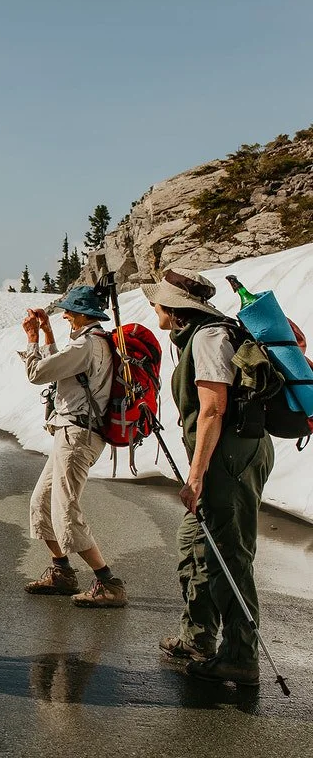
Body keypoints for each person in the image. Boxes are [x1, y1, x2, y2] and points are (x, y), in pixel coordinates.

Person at [144, 267, 275, 686]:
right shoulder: (208, 332)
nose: (154, 307)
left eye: (158, 302)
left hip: (228, 459)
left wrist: (196, 476)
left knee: (228, 555)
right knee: (194, 543)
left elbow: (213, 409)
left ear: (175, 308)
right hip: (237, 451)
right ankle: (197, 636)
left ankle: (240, 656)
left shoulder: (207, 338)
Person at [19, 286, 127, 608]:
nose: (64, 314)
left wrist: (33, 338)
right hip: (73, 434)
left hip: (77, 437)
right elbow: (63, 365)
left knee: (65, 511)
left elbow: (38, 373)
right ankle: (62, 572)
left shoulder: (86, 345)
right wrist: (50, 332)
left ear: (82, 314)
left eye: (68, 311)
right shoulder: (94, 344)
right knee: (42, 504)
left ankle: (109, 582)